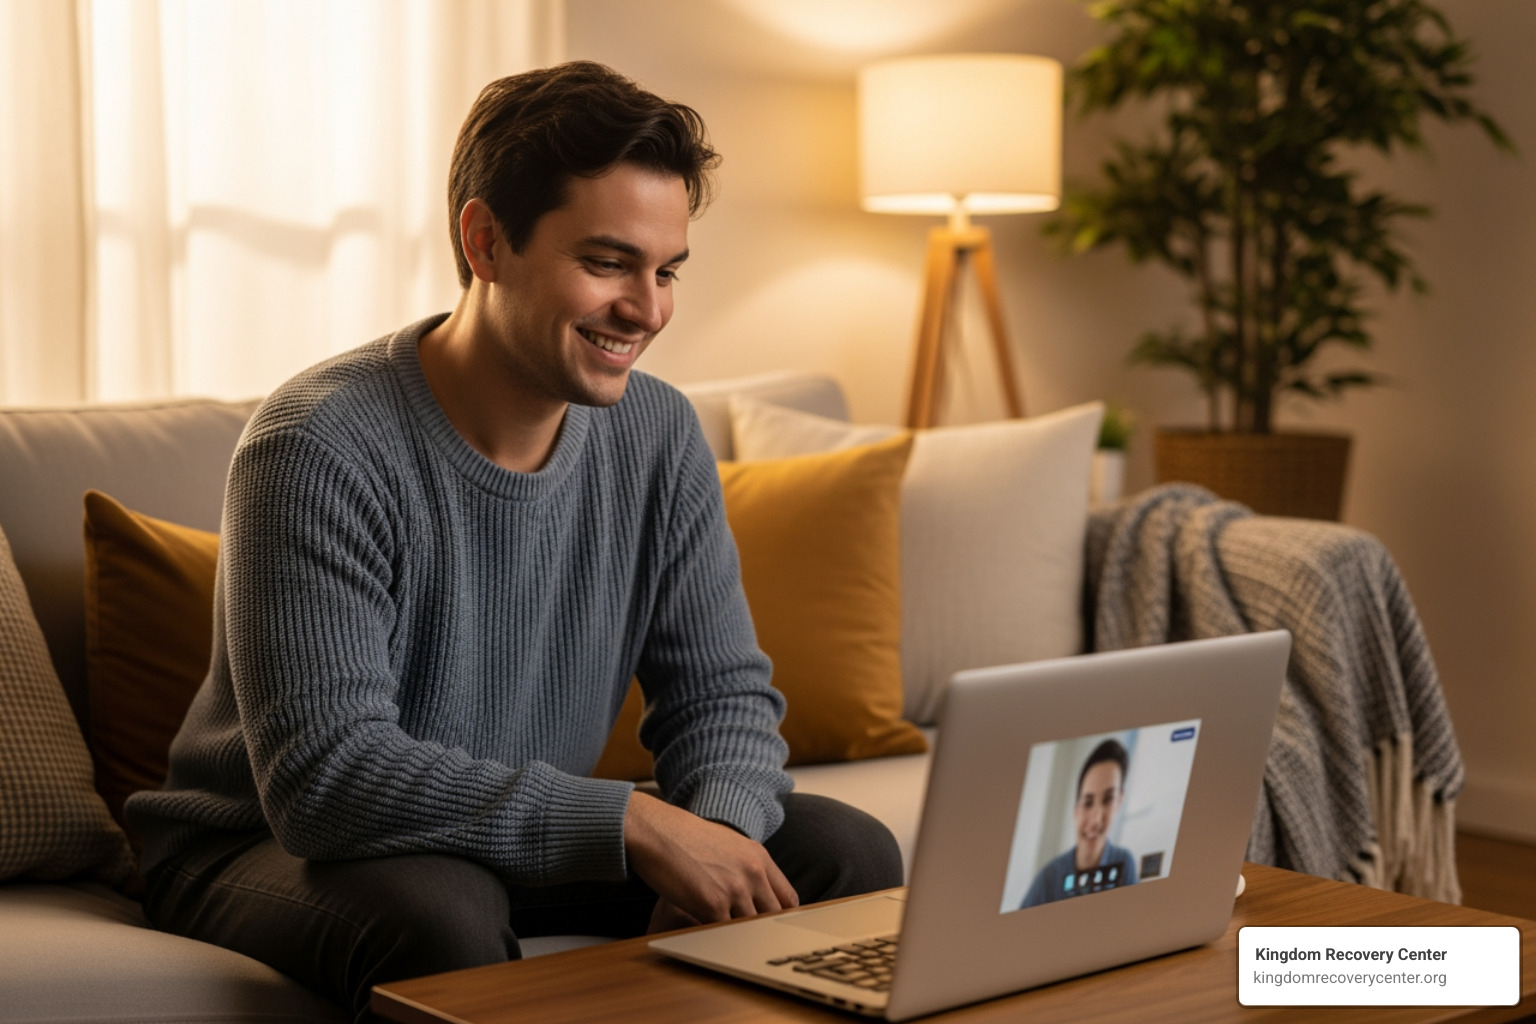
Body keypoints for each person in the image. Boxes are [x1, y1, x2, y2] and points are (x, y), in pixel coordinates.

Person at [126, 61, 901, 1021]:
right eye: (609, 263)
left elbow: (722, 697)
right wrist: (631, 823)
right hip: (269, 847)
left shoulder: (658, 434)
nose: (649, 309)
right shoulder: (318, 445)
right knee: (441, 913)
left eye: (666, 272)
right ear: (486, 241)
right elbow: (328, 779)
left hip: (503, 837)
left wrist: (714, 840)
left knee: (847, 851)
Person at [1020, 738, 1138, 908]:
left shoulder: (1125, 863)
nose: (1096, 820)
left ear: (1119, 801)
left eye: (1108, 800)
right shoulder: (1048, 878)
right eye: (1088, 803)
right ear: (1076, 810)